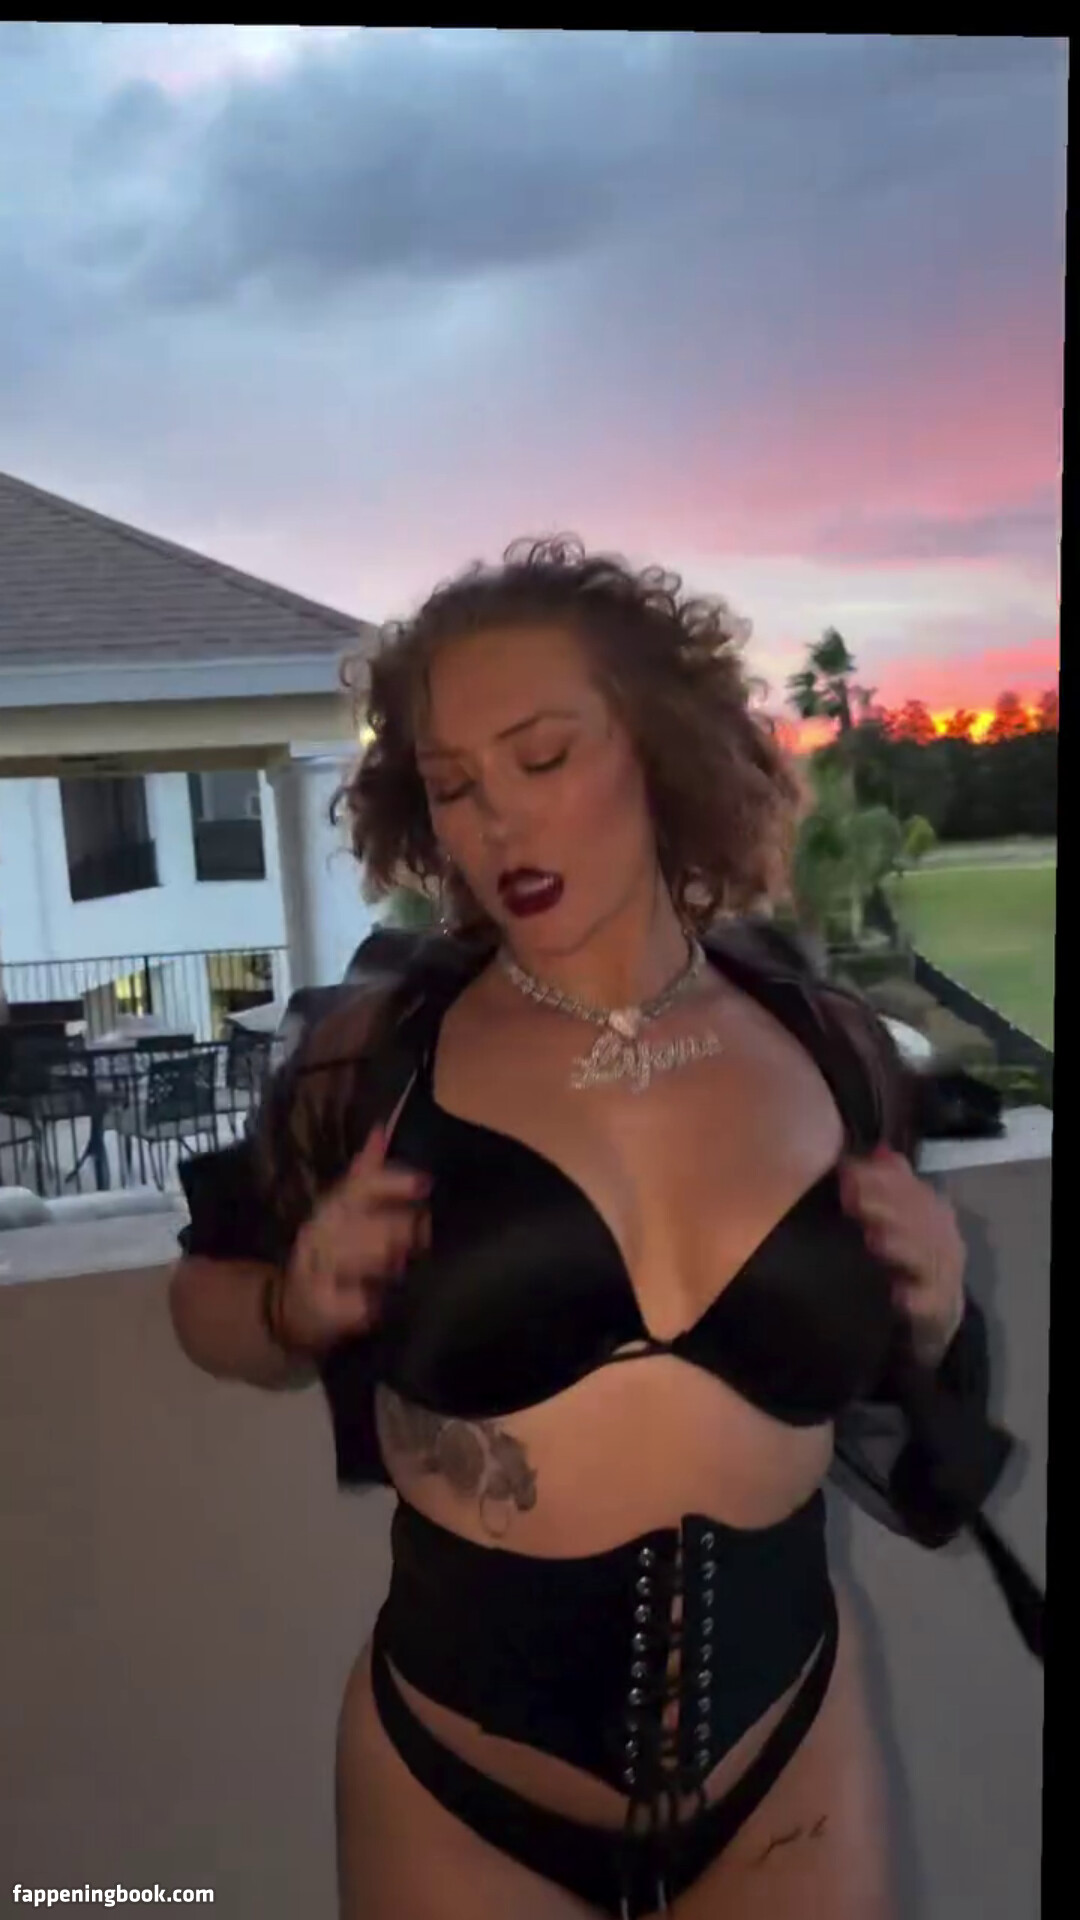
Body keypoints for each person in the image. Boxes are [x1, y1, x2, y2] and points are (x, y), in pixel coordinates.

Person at [169, 538, 1013, 1920]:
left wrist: (927, 1306)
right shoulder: (378, 1058)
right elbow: (208, 1301)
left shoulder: (829, 1050)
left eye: (543, 758)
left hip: (790, 1757)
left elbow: (892, 1379)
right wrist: (288, 1309)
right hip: (461, 1792)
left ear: (659, 750)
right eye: (455, 785)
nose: (498, 821)